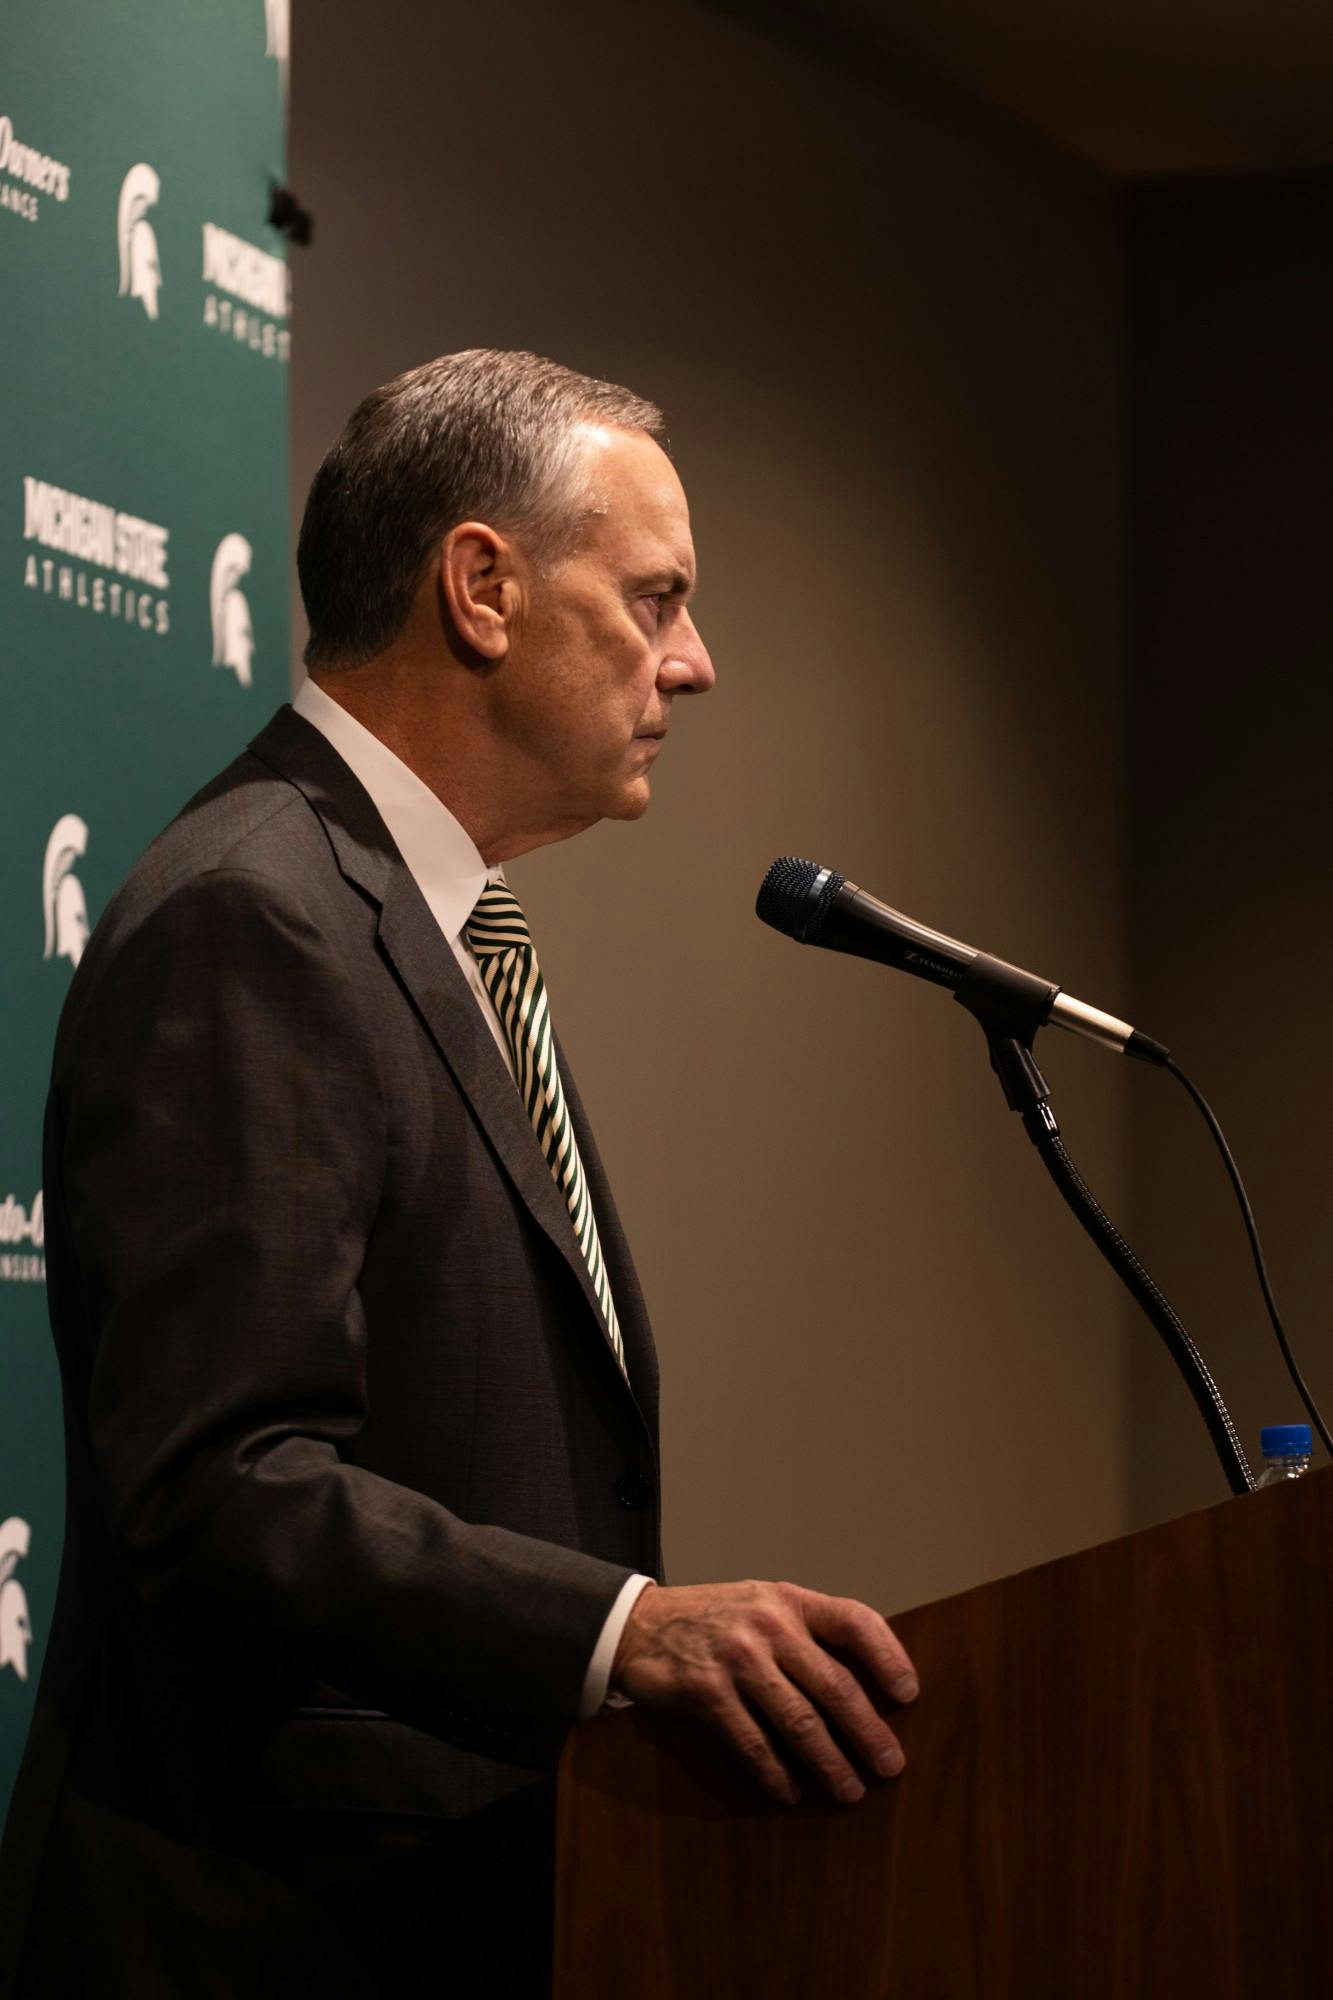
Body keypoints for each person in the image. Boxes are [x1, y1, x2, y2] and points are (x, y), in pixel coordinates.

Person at [0, 350, 919, 1998]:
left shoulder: (421, 923)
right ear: (480, 588)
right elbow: (216, 1488)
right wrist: (621, 1632)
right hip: (263, 1933)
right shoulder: (256, 913)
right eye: (654, 599)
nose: (692, 664)